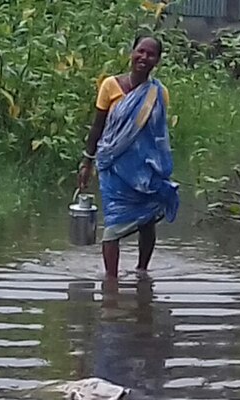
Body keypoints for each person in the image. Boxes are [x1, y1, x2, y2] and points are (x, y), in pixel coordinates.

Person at [78, 34, 179, 279]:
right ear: (131, 53)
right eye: (140, 51)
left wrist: (161, 168)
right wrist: (86, 162)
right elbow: (97, 127)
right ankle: (110, 282)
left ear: (158, 61)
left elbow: (159, 136)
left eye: (151, 54)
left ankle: (142, 273)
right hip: (113, 167)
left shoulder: (158, 93)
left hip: (144, 169)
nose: (144, 57)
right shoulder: (109, 86)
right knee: (112, 225)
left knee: (147, 221)